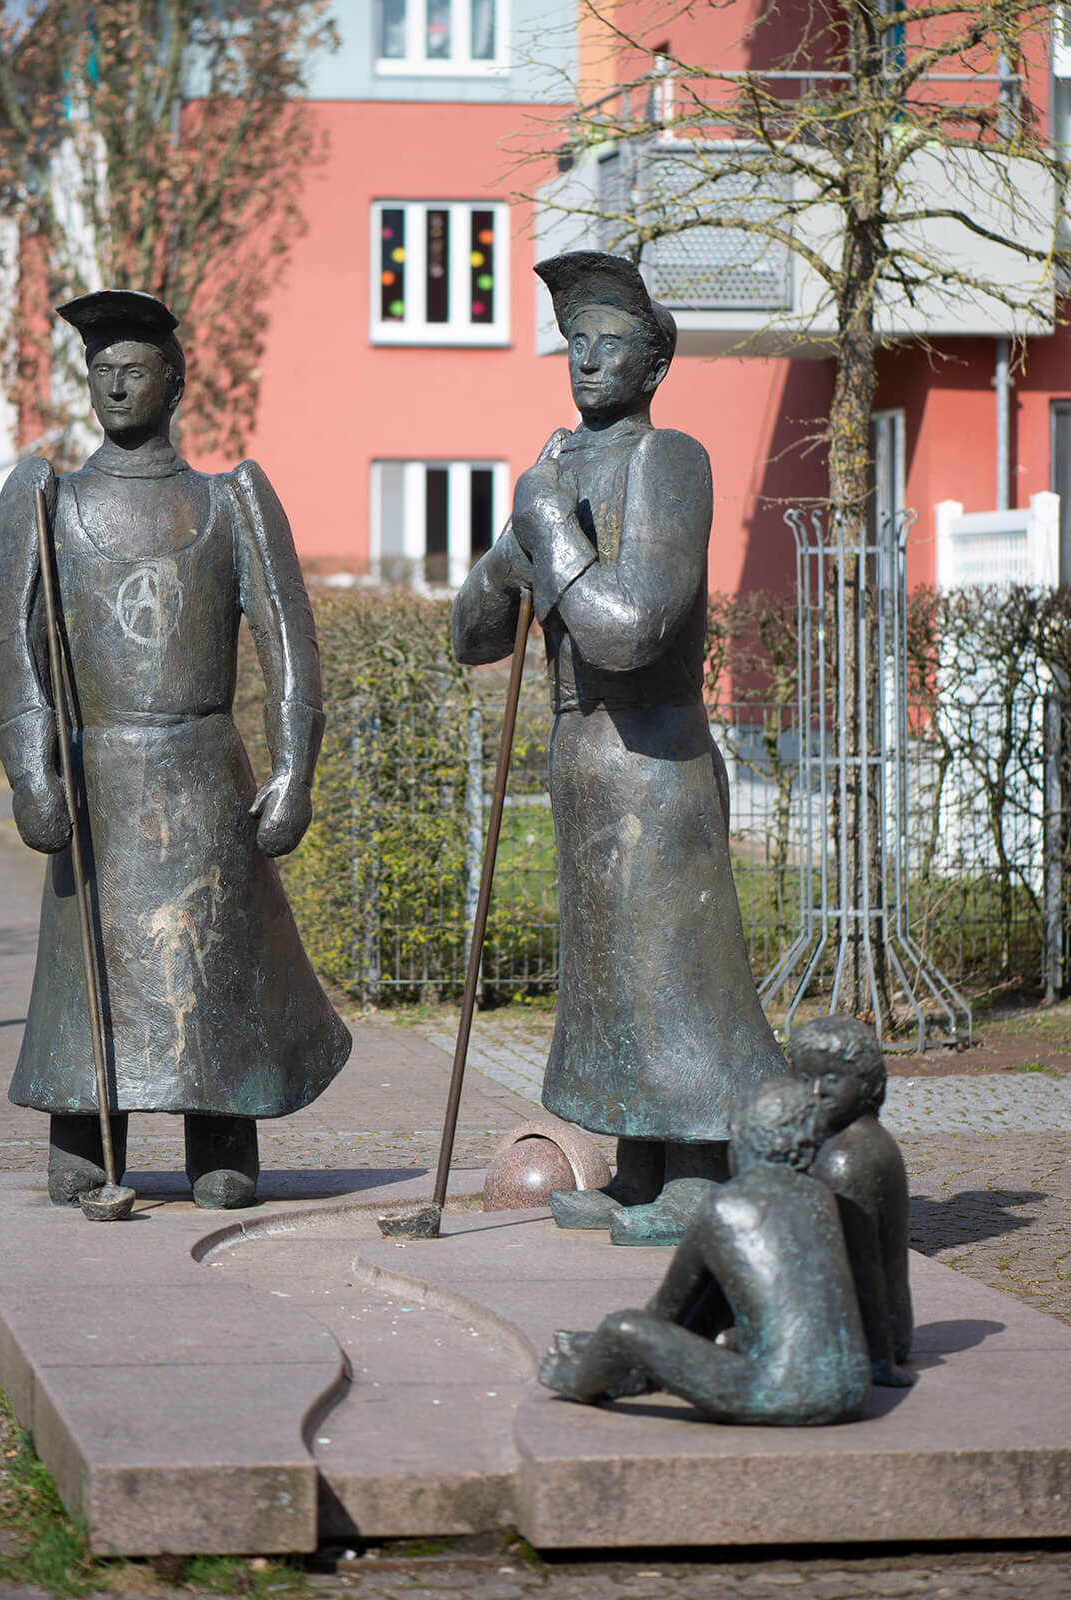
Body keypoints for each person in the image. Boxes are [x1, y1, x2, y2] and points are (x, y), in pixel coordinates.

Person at [0, 289, 351, 1209]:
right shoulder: (46, 503)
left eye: (133, 370)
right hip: (98, 775)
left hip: (202, 772)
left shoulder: (229, 502)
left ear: (174, 382)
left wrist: (295, 771)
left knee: (210, 960)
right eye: (101, 371)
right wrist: (32, 770)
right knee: (89, 962)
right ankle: (82, 1123)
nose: (115, 386)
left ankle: (221, 1128)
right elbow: (9, 641)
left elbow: (288, 640)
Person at [451, 251, 783, 1245]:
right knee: (610, 978)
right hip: (582, 757)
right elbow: (471, 637)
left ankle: (696, 1175)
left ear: (653, 366)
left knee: (672, 971)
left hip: (653, 757)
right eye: (576, 341)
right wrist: (507, 560)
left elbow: (630, 628)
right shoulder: (557, 472)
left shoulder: (666, 461)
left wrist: (548, 538)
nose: (587, 358)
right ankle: (638, 1168)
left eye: (613, 344)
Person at [538, 1078, 872, 1426]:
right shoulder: (821, 1198)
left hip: (780, 1391)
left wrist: (625, 1345)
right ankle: (631, 1368)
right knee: (718, 1290)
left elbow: (664, 1313)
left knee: (624, 1328)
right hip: (851, 1389)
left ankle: (580, 1381)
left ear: (742, 1141)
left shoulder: (724, 1207)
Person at [787, 1015, 915, 1387]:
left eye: (830, 1079)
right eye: (805, 1079)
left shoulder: (850, 1157)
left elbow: (858, 1264)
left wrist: (878, 1357)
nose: (816, 1092)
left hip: (864, 1331)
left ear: (867, 1083)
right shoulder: (835, 1137)